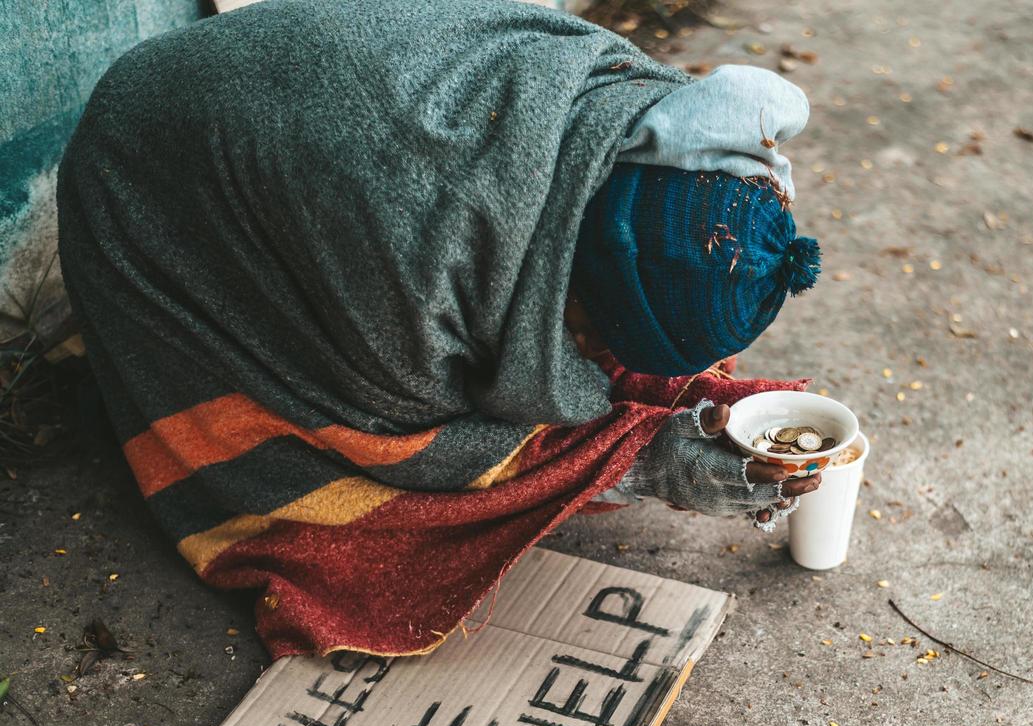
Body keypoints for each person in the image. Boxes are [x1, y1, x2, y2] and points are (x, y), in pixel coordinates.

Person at [56, 0, 824, 658]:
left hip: (298, 126)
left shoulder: (632, 109)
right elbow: (410, 443)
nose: (597, 360)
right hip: (148, 174)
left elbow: (654, 279)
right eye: (596, 334)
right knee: (347, 506)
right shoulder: (411, 267)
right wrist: (638, 468)